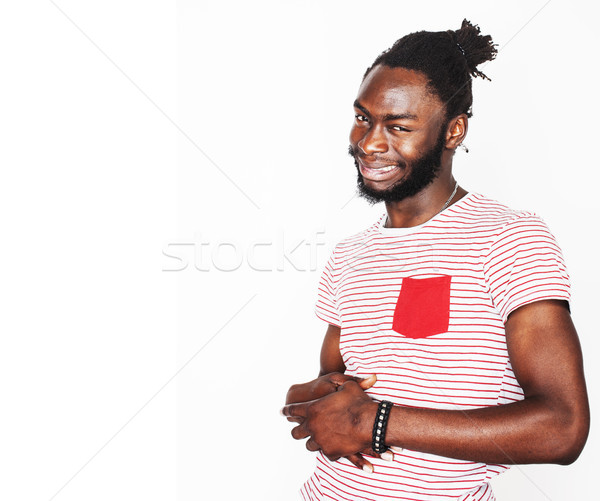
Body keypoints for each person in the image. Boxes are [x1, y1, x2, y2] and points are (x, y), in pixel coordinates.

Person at [281, 19, 590, 501]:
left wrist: (377, 421)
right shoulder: (348, 256)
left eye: (398, 127)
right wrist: (312, 403)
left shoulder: (510, 240)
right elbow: (336, 388)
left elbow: (563, 427)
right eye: (363, 118)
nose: (369, 144)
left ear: (453, 131)